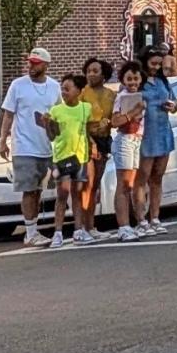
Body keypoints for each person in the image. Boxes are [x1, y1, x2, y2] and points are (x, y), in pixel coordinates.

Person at [0, 47, 62, 248]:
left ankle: (34, 229)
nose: (31, 66)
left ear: (45, 65)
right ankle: (30, 231)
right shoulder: (18, 85)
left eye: (35, 63)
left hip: (46, 145)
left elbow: (59, 113)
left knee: (38, 190)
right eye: (30, 63)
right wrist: (3, 141)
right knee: (28, 189)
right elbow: (8, 114)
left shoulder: (53, 87)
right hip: (24, 146)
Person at [42, 73, 91, 249]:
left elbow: (89, 129)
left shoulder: (86, 108)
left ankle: (79, 230)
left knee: (77, 194)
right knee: (62, 194)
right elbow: (52, 136)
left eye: (68, 89)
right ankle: (57, 232)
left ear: (78, 91)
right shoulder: (56, 110)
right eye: (62, 89)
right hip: (61, 156)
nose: (64, 92)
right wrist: (48, 123)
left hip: (81, 156)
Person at [135, 48, 177, 237]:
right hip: (146, 134)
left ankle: (155, 217)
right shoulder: (138, 83)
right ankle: (141, 219)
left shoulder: (162, 81)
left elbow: (175, 102)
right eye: (153, 63)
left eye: (159, 64)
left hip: (163, 131)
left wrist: (173, 106)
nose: (156, 67)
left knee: (157, 177)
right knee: (142, 177)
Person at [110, 60, 146, 242]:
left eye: (136, 79)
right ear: (123, 80)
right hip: (124, 140)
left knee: (132, 184)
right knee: (123, 185)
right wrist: (133, 112)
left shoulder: (140, 95)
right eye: (129, 79)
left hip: (136, 140)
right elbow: (115, 121)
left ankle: (135, 223)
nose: (133, 83)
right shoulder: (121, 98)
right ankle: (123, 226)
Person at [80, 57, 114, 242]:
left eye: (95, 71)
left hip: (103, 140)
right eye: (89, 71)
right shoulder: (83, 94)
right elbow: (78, 120)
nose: (91, 74)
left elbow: (115, 116)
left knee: (95, 186)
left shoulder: (111, 95)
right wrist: (90, 141)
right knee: (87, 183)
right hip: (86, 140)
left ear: (104, 74)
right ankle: (84, 226)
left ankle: (91, 225)